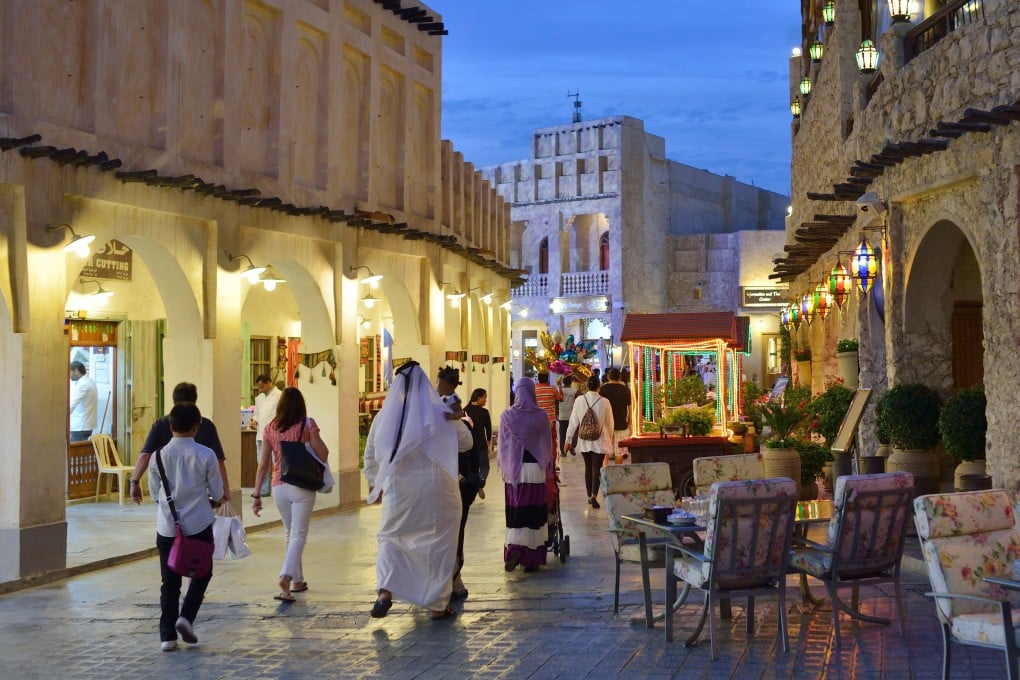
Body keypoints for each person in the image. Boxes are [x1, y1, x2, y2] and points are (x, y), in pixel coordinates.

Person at [363, 360, 461, 620]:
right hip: (437, 492)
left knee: (391, 538)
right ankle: (436, 604)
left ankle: (385, 591)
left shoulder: (384, 417)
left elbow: (371, 454)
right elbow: (466, 442)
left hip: (399, 492)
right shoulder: (438, 412)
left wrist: (375, 482)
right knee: (438, 543)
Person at [145, 402, 224, 652]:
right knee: (202, 573)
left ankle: (167, 636)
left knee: (169, 581)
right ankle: (186, 617)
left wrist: (169, 506)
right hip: (198, 525)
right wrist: (211, 499)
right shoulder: (206, 454)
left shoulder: (157, 456)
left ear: (170, 427)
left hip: (168, 527)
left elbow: (154, 493)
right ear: (196, 426)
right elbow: (218, 492)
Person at [252, 387, 329, 602]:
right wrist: (308, 442)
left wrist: (257, 495)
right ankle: (285, 576)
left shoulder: (269, 428)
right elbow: (323, 452)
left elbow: (263, 465)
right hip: (302, 484)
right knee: (298, 534)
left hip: (279, 486)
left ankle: (297, 581)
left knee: (290, 532)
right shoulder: (308, 424)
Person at [130, 383, 231, 505]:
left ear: (171, 429)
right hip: (200, 510)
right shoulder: (206, 432)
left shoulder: (160, 428)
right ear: (195, 429)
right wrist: (225, 490)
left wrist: (134, 482)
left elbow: (146, 457)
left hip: (169, 513)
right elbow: (219, 463)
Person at [498, 377, 554, 573]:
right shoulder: (541, 416)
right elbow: (547, 444)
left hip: (515, 471)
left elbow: (503, 447)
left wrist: (504, 467)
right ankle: (531, 559)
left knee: (517, 511)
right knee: (535, 514)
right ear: (532, 392)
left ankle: (515, 548)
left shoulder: (507, 416)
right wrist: (550, 467)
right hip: (536, 470)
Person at [564, 375, 614, 508]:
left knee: (588, 468)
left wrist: (568, 440)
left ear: (587, 386)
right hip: (600, 440)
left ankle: (588, 496)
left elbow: (573, 422)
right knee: (596, 468)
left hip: (584, 440)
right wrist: (610, 438)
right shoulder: (604, 401)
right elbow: (610, 424)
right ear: (599, 386)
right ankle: (594, 496)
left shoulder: (580, 400)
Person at [251, 375, 282, 498]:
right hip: (260, 435)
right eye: (259, 388)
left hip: (275, 434)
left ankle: (279, 486)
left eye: (262, 387)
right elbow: (257, 413)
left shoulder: (279, 396)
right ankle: (264, 490)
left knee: (277, 461)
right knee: (262, 463)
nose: (260, 390)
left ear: (269, 383)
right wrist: (254, 420)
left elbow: (281, 413)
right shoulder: (259, 398)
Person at [599, 367, 632, 464]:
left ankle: (605, 473)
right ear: (620, 377)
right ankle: (617, 474)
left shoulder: (602, 390)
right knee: (619, 452)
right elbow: (630, 409)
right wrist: (629, 423)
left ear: (608, 377)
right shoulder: (626, 390)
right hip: (621, 425)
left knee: (605, 451)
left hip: (605, 425)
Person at [464, 388, 492, 498]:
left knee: (471, 468)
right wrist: (489, 440)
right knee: (485, 467)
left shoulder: (465, 410)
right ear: (478, 397)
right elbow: (488, 428)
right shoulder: (484, 412)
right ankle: (480, 483)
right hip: (480, 444)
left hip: (468, 445)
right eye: (484, 397)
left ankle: (474, 485)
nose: (485, 400)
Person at [533, 371, 561, 460]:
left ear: (538, 378)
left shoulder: (533, 389)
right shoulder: (552, 389)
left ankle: (540, 460)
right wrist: (560, 385)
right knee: (552, 442)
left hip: (537, 420)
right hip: (551, 420)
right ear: (547, 379)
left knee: (538, 441)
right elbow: (561, 398)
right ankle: (552, 462)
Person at [69, 361, 98, 442]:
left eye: (70, 372)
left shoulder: (83, 384)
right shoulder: (89, 381)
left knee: (76, 454)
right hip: (84, 425)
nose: (69, 375)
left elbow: (72, 405)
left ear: (77, 371)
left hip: (80, 427)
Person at [557, 376, 577, 457]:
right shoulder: (575, 391)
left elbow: (556, 402)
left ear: (563, 382)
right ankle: (572, 447)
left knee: (562, 434)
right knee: (573, 433)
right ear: (571, 382)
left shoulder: (559, 391)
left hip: (562, 416)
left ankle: (563, 452)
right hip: (572, 416)